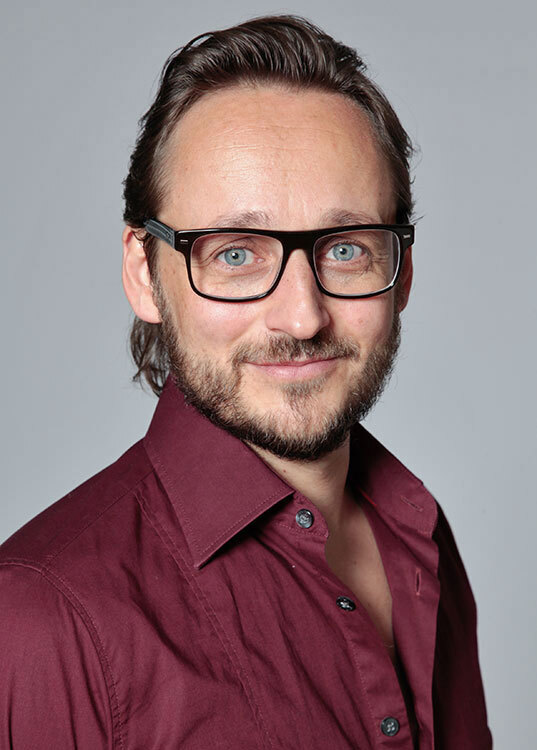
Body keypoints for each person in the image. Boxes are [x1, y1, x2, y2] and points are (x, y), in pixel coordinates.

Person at [0, 15, 492, 749]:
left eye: (346, 248)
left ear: (402, 272)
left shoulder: (419, 535)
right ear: (144, 273)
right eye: (235, 254)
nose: (302, 316)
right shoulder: (41, 619)